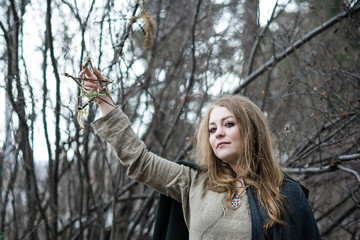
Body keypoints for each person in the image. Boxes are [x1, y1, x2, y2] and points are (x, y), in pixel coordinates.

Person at [80, 65, 321, 240]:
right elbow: (140, 161)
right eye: (212, 129)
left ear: (252, 131)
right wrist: (103, 100)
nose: (217, 133)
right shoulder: (192, 181)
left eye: (228, 124)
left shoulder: (287, 193)